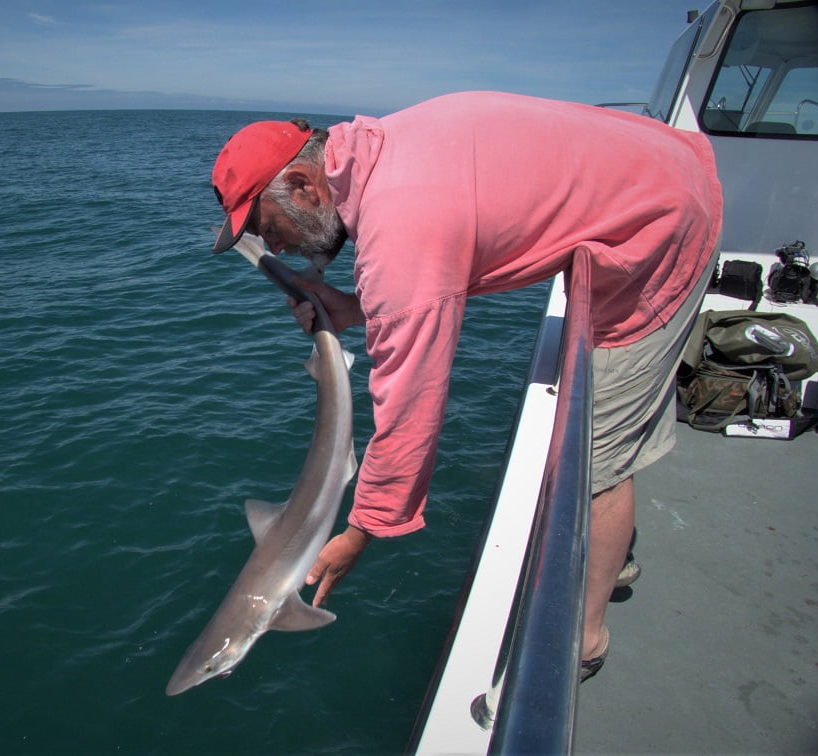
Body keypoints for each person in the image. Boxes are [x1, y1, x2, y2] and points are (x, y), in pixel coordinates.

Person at [209, 92, 722, 680]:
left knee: (595, 460)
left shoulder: (402, 222)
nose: (274, 247)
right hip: (654, 160)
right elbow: (454, 249)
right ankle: (603, 556)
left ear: (303, 185)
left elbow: (411, 407)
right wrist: (356, 309)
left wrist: (363, 529)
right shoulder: (380, 147)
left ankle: (585, 639)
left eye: (265, 226)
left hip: (662, 220)